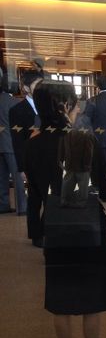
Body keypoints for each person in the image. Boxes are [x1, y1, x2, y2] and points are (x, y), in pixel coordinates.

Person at [25, 81, 106, 338]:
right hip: (89, 227)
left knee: (61, 301)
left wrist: (37, 231)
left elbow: (35, 193)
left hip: (55, 228)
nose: (78, 108)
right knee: (92, 300)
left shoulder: (33, 143)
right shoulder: (84, 139)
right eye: (75, 103)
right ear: (64, 106)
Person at [9, 68, 44, 240]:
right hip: (30, 160)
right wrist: (21, 167)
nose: (40, 88)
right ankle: (35, 235)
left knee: (49, 197)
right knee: (34, 199)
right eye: (37, 84)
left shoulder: (48, 105)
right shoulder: (17, 110)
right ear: (26, 88)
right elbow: (17, 142)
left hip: (48, 157)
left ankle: (48, 232)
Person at [0, 67, 26, 215]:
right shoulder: (15, 103)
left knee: (1, 178)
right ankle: (22, 207)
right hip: (11, 145)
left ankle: (3, 205)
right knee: (17, 178)